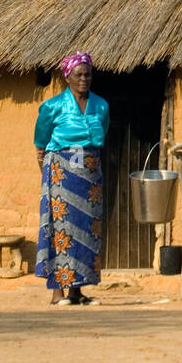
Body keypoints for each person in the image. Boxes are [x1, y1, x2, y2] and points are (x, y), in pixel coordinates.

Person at [34, 52, 110, 306]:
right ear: (67, 76)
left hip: (90, 174)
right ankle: (58, 292)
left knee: (88, 231)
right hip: (61, 172)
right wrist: (51, 173)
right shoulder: (52, 107)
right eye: (78, 74)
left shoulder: (101, 106)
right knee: (61, 230)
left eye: (88, 74)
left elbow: (102, 136)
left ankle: (78, 291)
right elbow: (41, 145)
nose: (84, 79)